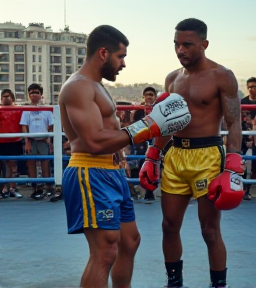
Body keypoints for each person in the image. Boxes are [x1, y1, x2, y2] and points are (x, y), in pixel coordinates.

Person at [58, 24, 191, 288]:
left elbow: (110, 132)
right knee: (104, 252)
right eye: (121, 57)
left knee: (129, 242)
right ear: (104, 53)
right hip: (90, 172)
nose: (124, 64)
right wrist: (148, 126)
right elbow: (94, 141)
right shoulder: (78, 87)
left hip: (112, 174)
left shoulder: (96, 86)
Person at [139, 18, 244, 288]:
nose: (180, 50)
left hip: (208, 156)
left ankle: (218, 285)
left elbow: (233, 121)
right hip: (175, 156)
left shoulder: (222, 75)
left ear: (204, 44)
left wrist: (232, 163)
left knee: (210, 231)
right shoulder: (172, 79)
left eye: (187, 44)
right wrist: (153, 155)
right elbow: (166, 120)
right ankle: (174, 282)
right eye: (176, 44)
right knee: (169, 226)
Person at [20, 83, 54, 200]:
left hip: (44, 139)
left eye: (36, 92)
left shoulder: (47, 109)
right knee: (31, 163)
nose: (34, 95)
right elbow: (24, 126)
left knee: (45, 162)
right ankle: (36, 187)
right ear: (28, 95)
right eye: (31, 93)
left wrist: (49, 139)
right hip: (31, 140)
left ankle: (48, 186)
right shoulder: (26, 110)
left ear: (41, 95)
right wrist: (27, 141)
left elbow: (51, 125)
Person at [133, 86, 158, 201]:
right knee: (142, 158)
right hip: (142, 139)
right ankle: (145, 189)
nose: (149, 97)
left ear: (155, 97)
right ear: (144, 96)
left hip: (157, 138)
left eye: (151, 95)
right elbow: (134, 126)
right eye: (147, 94)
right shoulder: (138, 110)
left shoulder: (159, 108)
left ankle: (150, 190)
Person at [0, 89, 23, 198]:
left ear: (12, 98)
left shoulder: (18, 110)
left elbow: (23, 125)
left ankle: (13, 189)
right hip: (2, 141)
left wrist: (26, 139)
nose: (6, 98)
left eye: (8, 96)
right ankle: (4, 189)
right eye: (4, 96)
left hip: (15, 140)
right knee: (3, 166)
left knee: (13, 166)